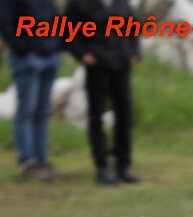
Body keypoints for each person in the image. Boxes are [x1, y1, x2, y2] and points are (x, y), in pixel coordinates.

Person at [64, 0, 140, 185]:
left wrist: (134, 52)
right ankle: (102, 167)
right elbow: (67, 32)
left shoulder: (121, 3)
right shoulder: (79, 4)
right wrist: (82, 54)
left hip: (121, 65)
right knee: (97, 116)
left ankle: (122, 166)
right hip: (97, 67)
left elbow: (133, 27)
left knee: (124, 115)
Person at [0, 0, 63, 180]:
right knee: (27, 110)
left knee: (43, 112)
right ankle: (28, 163)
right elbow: (5, 22)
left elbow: (54, 16)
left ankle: (41, 160)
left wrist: (57, 44)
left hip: (50, 55)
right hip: (28, 58)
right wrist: (22, 49)